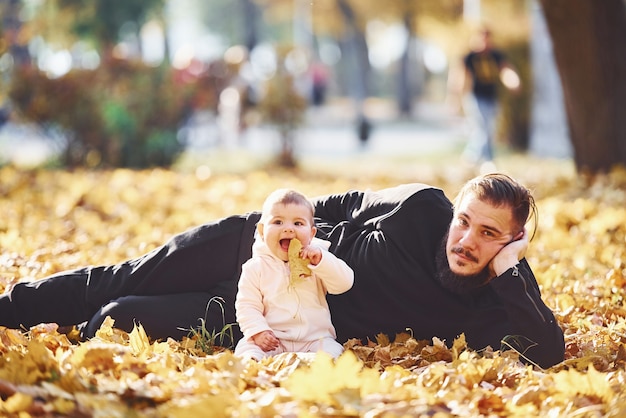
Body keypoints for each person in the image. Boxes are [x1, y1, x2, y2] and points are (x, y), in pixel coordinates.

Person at [0, 173, 565, 369]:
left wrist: (511, 270)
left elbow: (547, 349)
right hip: (260, 250)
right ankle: (11, 311)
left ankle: (74, 326)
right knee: (125, 278)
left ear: (513, 241)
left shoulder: (501, 293)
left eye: (489, 234)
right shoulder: (422, 206)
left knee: (118, 317)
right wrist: (290, 231)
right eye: (465, 221)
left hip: (275, 320)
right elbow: (342, 203)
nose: (466, 240)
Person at [234, 189, 353, 360]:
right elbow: (247, 305)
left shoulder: (316, 261)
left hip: (313, 340)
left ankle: (314, 364)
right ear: (261, 231)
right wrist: (258, 331)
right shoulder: (255, 267)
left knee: (333, 351)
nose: (288, 229)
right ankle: (253, 363)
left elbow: (344, 283)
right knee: (247, 347)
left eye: (298, 224)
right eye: (278, 222)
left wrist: (321, 261)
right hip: (273, 340)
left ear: (312, 234)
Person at [449, 27, 521, 166]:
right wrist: (455, 99)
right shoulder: (470, 57)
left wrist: (513, 83)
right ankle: (488, 160)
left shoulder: (496, 55)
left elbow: (506, 71)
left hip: (492, 98)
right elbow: (460, 79)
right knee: (483, 128)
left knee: (487, 129)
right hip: (475, 97)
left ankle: (470, 158)